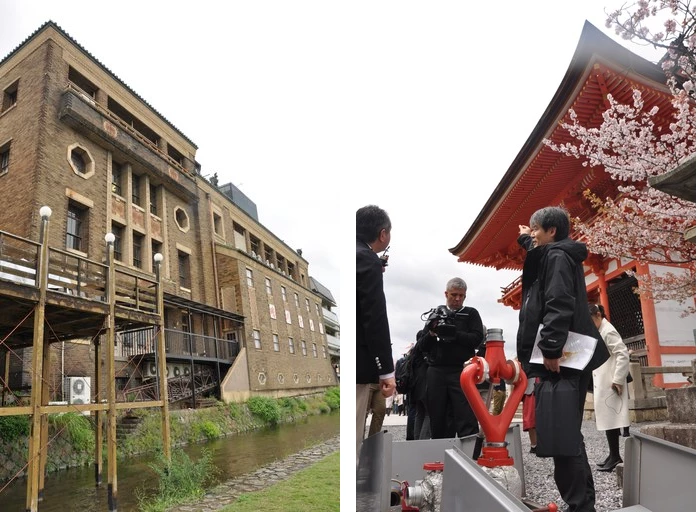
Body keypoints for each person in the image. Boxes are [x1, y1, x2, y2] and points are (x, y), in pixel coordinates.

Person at [516, 206, 609, 512]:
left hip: (562, 355)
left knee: (560, 430)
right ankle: (581, 503)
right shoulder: (556, 253)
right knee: (566, 430)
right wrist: (527, 242)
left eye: (536, 230)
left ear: (551, 231)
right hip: (567, 353)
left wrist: (552, 347)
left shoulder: (555, 257)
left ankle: (579, 504)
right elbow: (539, 254)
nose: (534, 235)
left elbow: (558, 301)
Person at [418, 277, 483, 439]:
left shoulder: (471, 314)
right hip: (436, 370)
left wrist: (453, 333)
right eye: (454, 295)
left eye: (461, 296)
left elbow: (477, 339)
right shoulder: (436, 315)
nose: (457, 299)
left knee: (465, 413)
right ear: (446, 294)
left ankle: (469, 451)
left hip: (461, 371)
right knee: (437, 414)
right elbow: (422, 346)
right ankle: (439, 450)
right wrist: (433, 333)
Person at [356, 205, 395, 462]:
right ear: (383, 234)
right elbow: (375, 317)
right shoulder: (367, 259)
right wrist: (386, 370)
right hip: (361, 363)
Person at [588, 303, 630, 472]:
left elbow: (622, 353)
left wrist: (618, 379)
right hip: (606, 379)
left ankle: (614, 456)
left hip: (611, 381)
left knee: (611, 418)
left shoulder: (608, 330)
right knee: (607, 418)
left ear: (598, 315)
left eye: (591, 320)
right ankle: (612, 454)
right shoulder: (601, 330)